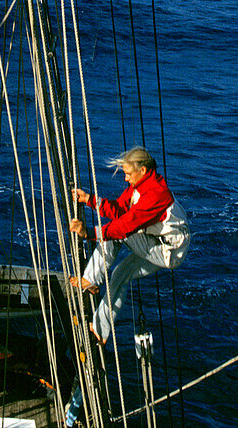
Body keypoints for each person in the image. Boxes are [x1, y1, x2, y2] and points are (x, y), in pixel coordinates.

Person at [68, 146, 190, 347]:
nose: (125, 179)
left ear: (142, 171)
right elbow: (119, 210)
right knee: (119, 275)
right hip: (156, 244)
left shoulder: (156, 194)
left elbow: (125, 226)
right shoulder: (138, 188)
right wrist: (89, 200)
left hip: (170, 251)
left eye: (127, 174)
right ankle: (100, 330)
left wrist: (89, 233)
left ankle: (89, 279)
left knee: (117, 234)